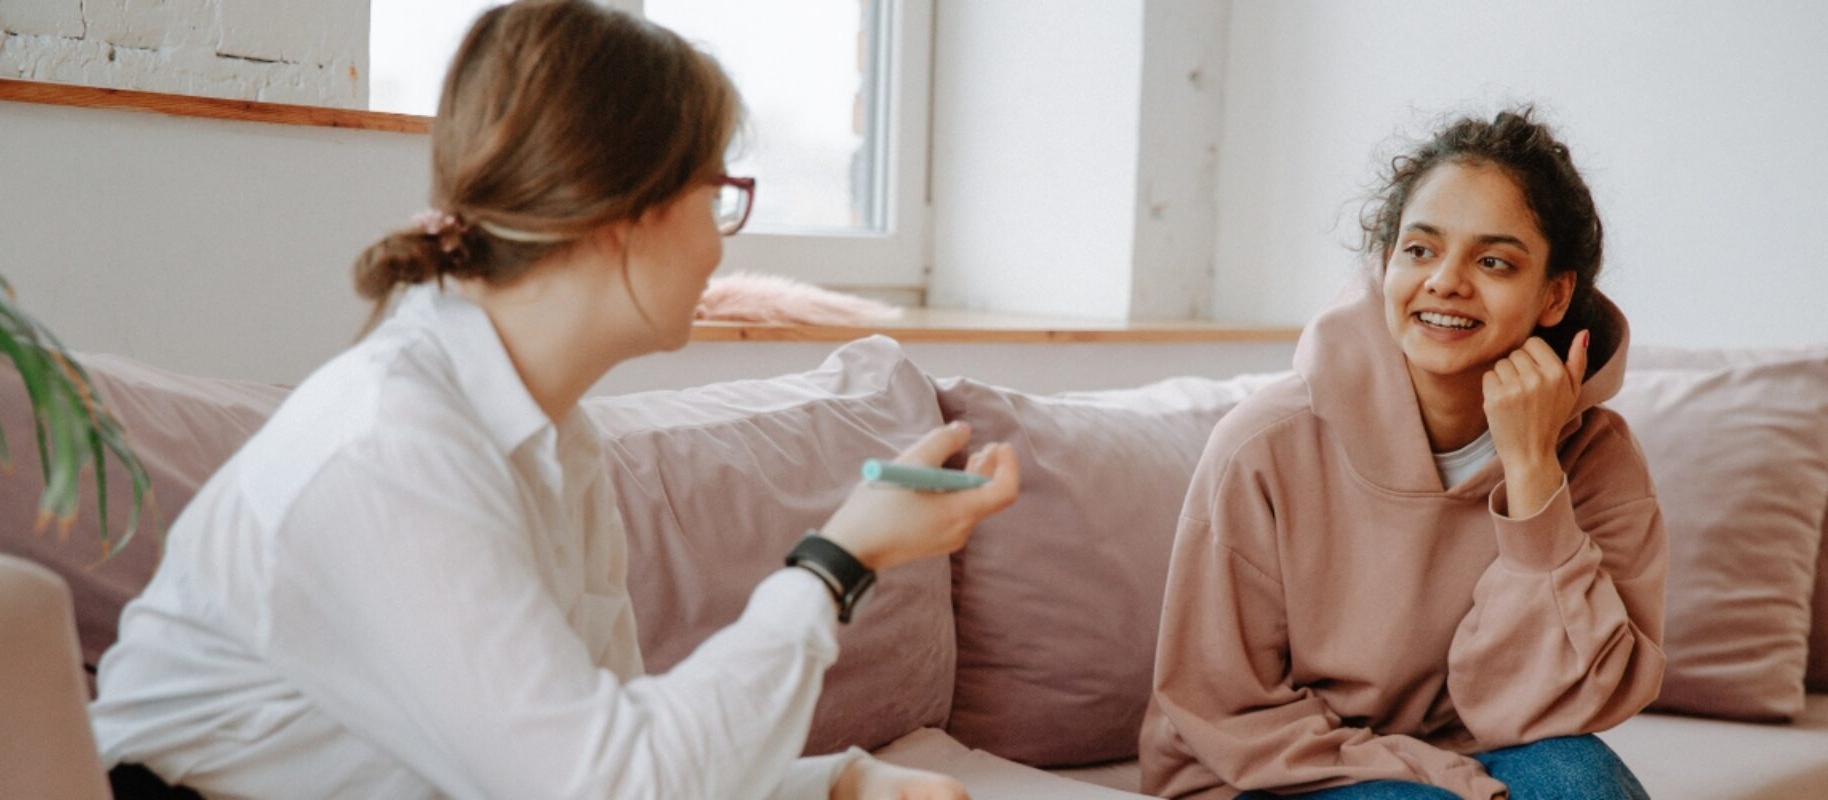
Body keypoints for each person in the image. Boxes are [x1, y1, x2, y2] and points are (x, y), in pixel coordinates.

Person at [88, 2, 1018, 797]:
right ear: (627, 212)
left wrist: (838, 783)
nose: (719, 244)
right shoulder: (395, 447)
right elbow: (603, 786)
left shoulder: (552, 437)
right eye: (717, 195)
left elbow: (601, 749)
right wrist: (837, 558)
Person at [1139, 109, 1665, 800]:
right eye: (1420, 250)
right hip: (1270, 770)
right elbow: (1223, 705)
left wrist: (1533, 473)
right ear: (1385, 262)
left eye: (1494, 261)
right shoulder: (1262, 446)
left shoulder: (1598, 457)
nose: (1446, 281)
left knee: (1582, 781)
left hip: (1475, 748)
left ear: (1555, 294)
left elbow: (1570, 704)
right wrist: (1437, 778)